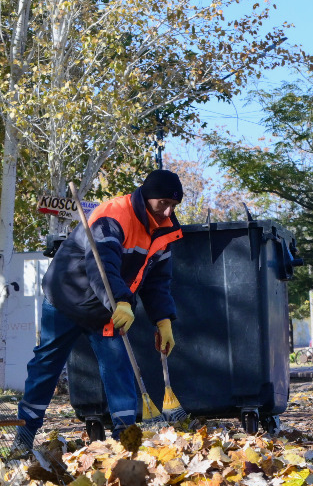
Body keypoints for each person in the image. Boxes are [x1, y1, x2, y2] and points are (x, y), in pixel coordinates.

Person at [11, 170, 186, 456]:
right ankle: (24, 436)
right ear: (147, 196)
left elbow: (158, 281)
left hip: (107, 307)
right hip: (67, 297)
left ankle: (125, 441)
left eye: (173, 205)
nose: (167, 210)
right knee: (47, 365)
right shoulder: (113, 215)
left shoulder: (165, 228)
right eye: (163, 202)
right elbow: (100, 264)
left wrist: (163, 320)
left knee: (119, 366)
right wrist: (121, 301)